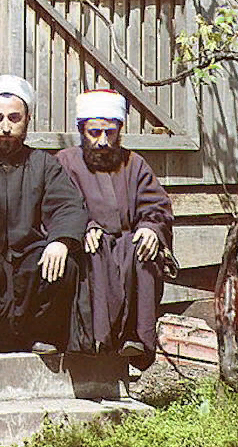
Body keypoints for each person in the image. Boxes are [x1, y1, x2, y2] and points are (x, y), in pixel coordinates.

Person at [0, 75, 88, 354]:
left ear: (27, 120)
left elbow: (67, 206)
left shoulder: (45, 166)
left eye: (14, 118)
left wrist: (60, 241)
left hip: (30, 256)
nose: (6, 127)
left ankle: (41, 335)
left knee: (65, 265)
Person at [56, 90, 174, 363]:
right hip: (87, 243)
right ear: (81, 131)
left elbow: (156, 205)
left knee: (145, 251)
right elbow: (58, 204)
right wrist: (83, 227)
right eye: (94, 133)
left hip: (127, 245)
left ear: (119, 131)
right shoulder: (65, 162)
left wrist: (150, 228)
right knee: (91, 254)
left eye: (110, 133)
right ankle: (92, 342)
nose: (102, 141)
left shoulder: (135, 164)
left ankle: (136, 340)